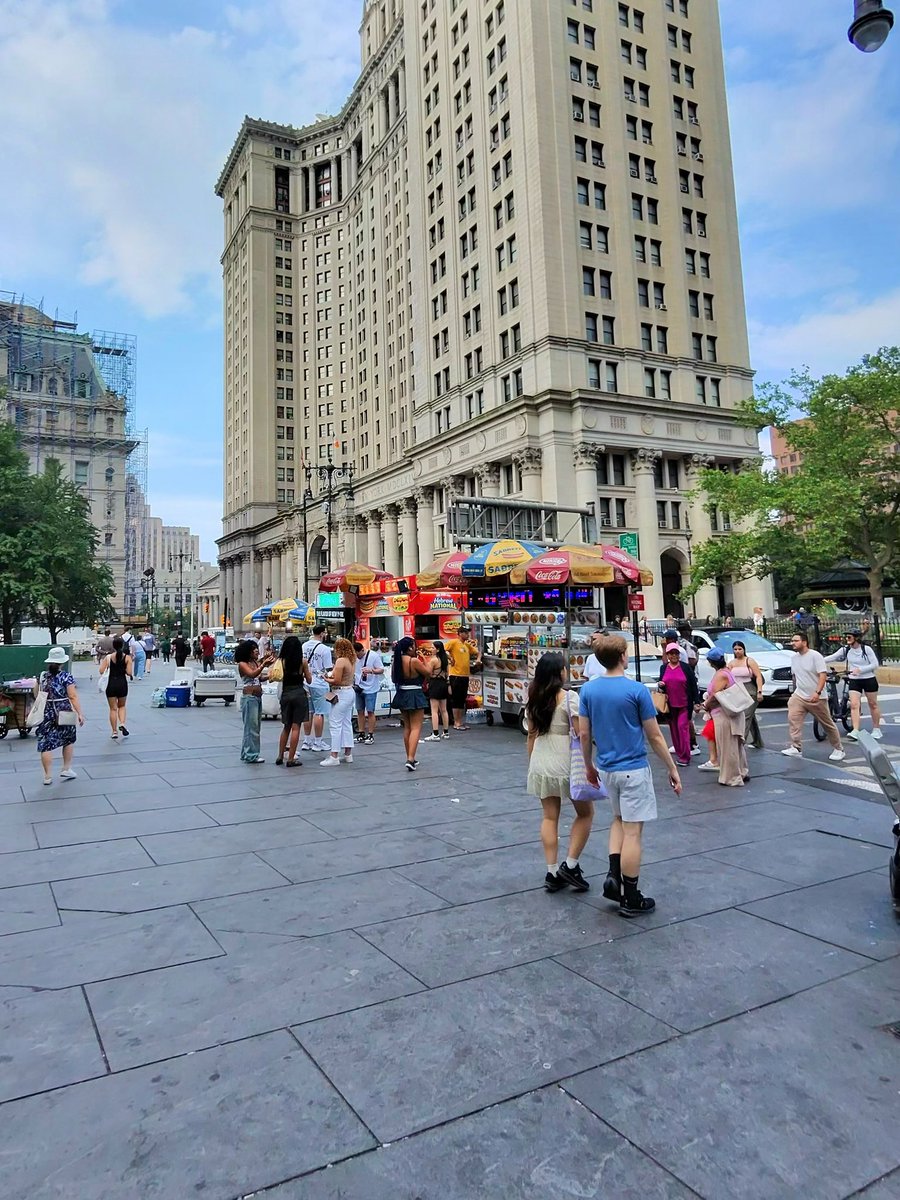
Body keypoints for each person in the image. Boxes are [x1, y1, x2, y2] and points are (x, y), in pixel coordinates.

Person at [579, 635, 681, 917]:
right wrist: (671, 768)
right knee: (634, 832)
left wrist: (589, 765)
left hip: (606, 768)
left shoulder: (588, 691)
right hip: (633, 769)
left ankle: (614, 875)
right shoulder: (636, 691)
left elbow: (584, 734)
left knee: (618, 820)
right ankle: (631, 896)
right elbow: (655, 736)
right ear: (623, 656)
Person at [526, 652, 594, 892]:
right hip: (566, 760)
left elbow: (531, 735)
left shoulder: (533, 697)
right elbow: (580, 733)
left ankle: (552, 870)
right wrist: (589, 764)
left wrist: (532, 761)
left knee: (549, 817)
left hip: (541, 757)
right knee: (585, 813)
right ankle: (571, 863)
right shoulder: (569, 698)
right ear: (559, 673)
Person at [782, 630, 846, 761]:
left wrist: (817, 692)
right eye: (792, 641)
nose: (792, 643)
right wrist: (794, 692)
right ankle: (796, 747)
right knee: (793, 720)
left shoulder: (815, 656)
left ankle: (839, 749)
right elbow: (795, 676)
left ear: (804, 642)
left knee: (827, 723)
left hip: (816, 697)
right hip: (799, 695)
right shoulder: (794, 658)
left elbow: (822, 675)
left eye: (796, 641)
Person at [33, 647, 85, 785]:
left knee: (45, 744)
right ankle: (66, 768)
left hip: (46, 711)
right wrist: (80, 713)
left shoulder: (42, 676)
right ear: (62, 662)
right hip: (64, 710)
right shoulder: (66, 677)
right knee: (68, 739)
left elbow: (36, 693)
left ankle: (47, 776)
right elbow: (72, 696)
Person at [701, 648, 749, 787]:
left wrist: (705, 705)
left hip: (723, 714)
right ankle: (741, 771)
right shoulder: (727, 671)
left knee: (727, 747)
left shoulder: (720, 675)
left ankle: (731, 777)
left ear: (711, 662)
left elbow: (715, 695)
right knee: (735, 746)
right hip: (731, 713)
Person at [824, 629, 882, 741]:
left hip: (868, 679)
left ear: (856, 638)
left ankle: (876, 729)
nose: (847, 639)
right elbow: (832, 657)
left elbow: (875, 664)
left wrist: (861, 670)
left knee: (873, 704)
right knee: (854, 704)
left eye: (849, 637)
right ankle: (855, 730)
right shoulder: (845, 650)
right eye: (846, 637)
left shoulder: (866, 649)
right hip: (854, 680)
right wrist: (817, 661)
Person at [657, 643, 700, 767]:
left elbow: (693, 686)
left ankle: (686, 756)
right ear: (667, 655)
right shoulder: (664, 668)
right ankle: (680, 753)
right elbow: (662, 684)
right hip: (670, 706)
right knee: (674, 730)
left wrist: (697, 702)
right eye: (671, 653)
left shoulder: (686, 668)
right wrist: (661, 685)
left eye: (676, 653)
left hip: (684, 704)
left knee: (682, 728)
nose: (674, 655)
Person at [392, 636, 430, 771]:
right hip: (415, 693)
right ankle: (411, 758)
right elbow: (428, 673)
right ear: (410, 647)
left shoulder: (397, 661)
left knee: (407, 727)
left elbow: (393, 678)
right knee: (416, 728)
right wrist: (424, 659)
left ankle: (409, 756)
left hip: (402, 693)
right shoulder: (414, 661)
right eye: (414, 645)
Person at [235, 639, 276, 763]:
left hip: (257, 697)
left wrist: (271, 675)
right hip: (250, 697)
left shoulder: (254, 662)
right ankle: (251, 754)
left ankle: (247, 753)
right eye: (254, 649)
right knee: (251, 727)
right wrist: (263, 664)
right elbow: (252, 674)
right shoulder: (242, 664)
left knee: (255, 727)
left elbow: (259, 678)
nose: (257, 650)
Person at [275, 634, 311, 766]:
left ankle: (280, 756)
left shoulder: (281, 661)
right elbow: (309, 679)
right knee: (296, 727)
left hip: (286, 693)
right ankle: (290, 759)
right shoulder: (303, 662)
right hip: (299, 694)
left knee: (286, 727)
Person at [321, 637, 357, 767]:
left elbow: (336, 680)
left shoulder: (341, 661)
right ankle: (348, 754)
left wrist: (325, 678)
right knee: (346, 723)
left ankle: (334, 755)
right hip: (349, 691)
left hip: (341, 692)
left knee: (335, 724)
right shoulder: (352, 660)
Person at [301, 625, 333, 752]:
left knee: (309, 712)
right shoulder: (324, 649)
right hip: (319, 683)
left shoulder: (304, 646)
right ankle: (318, 742)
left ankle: (307, 740)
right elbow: (328, 669)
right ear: (321, 634)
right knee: (319, 713)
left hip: (306, 682)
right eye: (324, 633)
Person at [727, 640, 764, 749]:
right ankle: (758, 741)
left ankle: (740, 742)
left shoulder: (749, 661)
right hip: (738, 691)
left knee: (745, 716)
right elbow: (728, 677)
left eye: (740, 649)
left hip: (750, 690)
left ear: (744, 650)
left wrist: (759, 691)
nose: (737, 651)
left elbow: (758, 676)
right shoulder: (732, 663)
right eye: (735, 649)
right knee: (750, 717)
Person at [446, 626, 480, 730]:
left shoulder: (466, 645)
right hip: (456, 675)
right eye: (465, 633)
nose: (468, 634)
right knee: (456, 699)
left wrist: (478, 659)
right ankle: (456, 722)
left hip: (465, 675)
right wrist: (450, 658)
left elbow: (478, 652)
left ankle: (460, 721)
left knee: (462, 699)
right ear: (460, 633)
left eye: (468, 632)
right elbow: (443, 650)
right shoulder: (454, 642)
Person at [99, 635, 133, 740]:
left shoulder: (108, 658)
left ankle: (114, 731)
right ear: (122, 646)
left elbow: (101, 671)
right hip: (122, 684)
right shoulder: (127, 658)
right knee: (122, 706)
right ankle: (122, 723)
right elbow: (129, 673)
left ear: (113, 646)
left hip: (111, 684)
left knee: (113, 709)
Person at [354, 641, 384, 744]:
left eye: (358, 654)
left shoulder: (373, 656)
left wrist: (371, 670)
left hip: (371, 688)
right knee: (359, 711)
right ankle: (361, 733)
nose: (357, 657)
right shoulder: (354, 657)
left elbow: (381, 669)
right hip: (358, 686)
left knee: (370, 711)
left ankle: (370, 734)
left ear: (362, 650)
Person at [424, 640, 451, 740]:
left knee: (434, 711)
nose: (431, 649)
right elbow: (447, 674)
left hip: (435, 683)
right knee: (444, 710)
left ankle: (435, 733)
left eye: (433, 648)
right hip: (443, 683)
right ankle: (446, 732)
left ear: (438, 649)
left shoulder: (433, 660)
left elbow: (428, 673)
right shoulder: (445, 660)